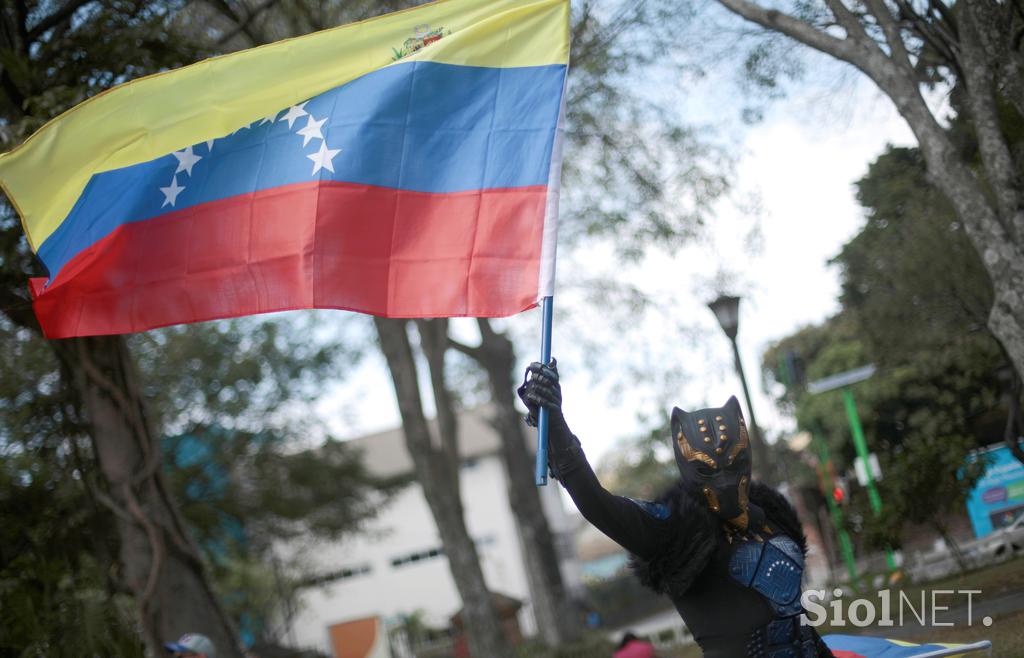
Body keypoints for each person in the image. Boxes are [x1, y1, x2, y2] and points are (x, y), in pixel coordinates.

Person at [518, 360, 834, 658]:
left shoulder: (772, 518)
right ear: (687, 465)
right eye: (708, 468)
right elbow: (598, 505)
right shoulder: (679, 532)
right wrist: (556, 425)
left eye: (733, 463)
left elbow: (799, 623)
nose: (724, 479)